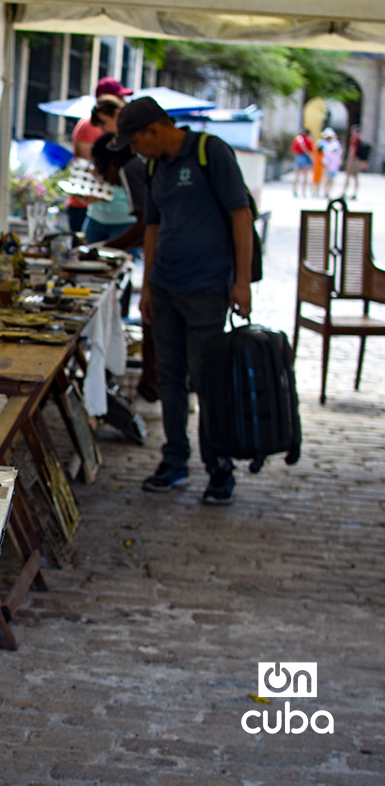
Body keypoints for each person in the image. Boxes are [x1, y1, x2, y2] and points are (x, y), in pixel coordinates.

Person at [109, 97, 252, 505]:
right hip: (166, 287)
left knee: (207, 381)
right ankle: (174, 461)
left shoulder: (210, 152)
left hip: (207, 289)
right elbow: (152, 227)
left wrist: (241, 282)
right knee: (169, 378)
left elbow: (241, 215)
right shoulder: (155, 166)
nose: (134, 153)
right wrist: (148, 287)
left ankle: (219, 468)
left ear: (154, 130)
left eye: (135, 143)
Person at [90, 135, 157, 401]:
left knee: (152, 320)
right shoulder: (136, 166)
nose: (106, 179)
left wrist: (106, 247)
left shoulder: (131, 169)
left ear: (113, 162)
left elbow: (146, 225)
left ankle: (152, 386)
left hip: (169, 261)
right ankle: (152, 385)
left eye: (103, 168)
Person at [65, 77, 132, 233]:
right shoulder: (90, 127)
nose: (123, 101)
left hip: (121, 214)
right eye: (119, 97)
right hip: (95, 209)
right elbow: (85, 167)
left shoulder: (131, 136)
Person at [82, 101, 135, 246]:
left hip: (125, 219)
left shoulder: (134, 146)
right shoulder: (102, 142)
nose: (102, 128)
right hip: (97, 216)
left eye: (103, 122)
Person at [342, 124, 366, 199]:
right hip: (359, 161)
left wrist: (348, 161)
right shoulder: (361, 139)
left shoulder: (354, 140)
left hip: (353, 160)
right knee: (356, 177)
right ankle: (355, 193)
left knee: (348, 176)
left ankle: (344, 192)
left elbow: (352, 151)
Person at [318, 127, 343, 199]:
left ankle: (329, 192)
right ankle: (323, 191)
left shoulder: (335, 143)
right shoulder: (322, 143)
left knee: (331, 179)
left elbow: (338, 153)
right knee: (325, 178)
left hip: (333, 164)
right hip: (326, 163)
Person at [290, 128, 314, 197]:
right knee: (305, 176)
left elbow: (293, 149)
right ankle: (303, 191)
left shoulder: (297, 139)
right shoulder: (309, 139)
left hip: (299, 157)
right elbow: (311, 149)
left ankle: (294, 190)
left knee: (296, 175)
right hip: (305, 157)